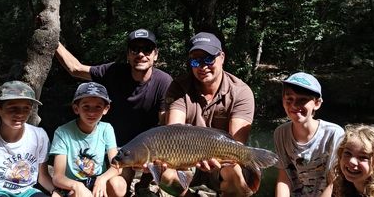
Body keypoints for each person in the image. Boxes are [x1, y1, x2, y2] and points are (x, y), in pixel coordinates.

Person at [55, 29, 173, 194]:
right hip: (116, 148)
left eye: (146, 50)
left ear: (155, 55)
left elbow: (165, 125)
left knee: (169, 177)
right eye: (135, 49)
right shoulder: (114, 72)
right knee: (117, 186)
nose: (140, 54)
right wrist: (52, 37)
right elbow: (75, 69)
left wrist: (157, 158)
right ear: (128, 54)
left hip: (150, 148)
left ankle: (144, 186)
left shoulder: (164, 82)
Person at [162, 32, 256, 196]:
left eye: (208, 59)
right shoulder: (178, 87)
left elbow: (236, 144)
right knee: (167, 176)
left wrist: (217, 159)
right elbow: (173, 134)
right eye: (195, 60)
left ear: (222, 57)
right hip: (187, 157)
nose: (202, 66)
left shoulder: (241, 91)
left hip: (223, 159)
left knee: (234, 173)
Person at [273, 72, 344, 197]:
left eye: (302, 100)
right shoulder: (280, 133)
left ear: (317, 103)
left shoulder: (334, 133)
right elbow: (284, 176)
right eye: (289, 99)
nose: (294, 105)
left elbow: (334, 182)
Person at [50, 82, 127, 197]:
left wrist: (102, 179)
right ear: (76, 108)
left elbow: (117, 166)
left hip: (97, 181)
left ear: (106, 109)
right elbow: (57, 177)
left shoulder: (106, 129)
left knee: (119, 184)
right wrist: (77, 186)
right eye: (86, 106)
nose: (91, 112)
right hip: (72, 184)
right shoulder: (62, 132)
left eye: (98, 107)